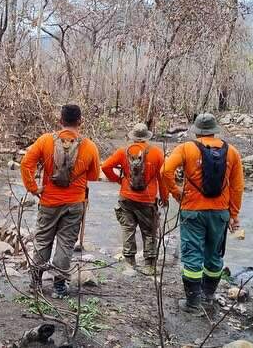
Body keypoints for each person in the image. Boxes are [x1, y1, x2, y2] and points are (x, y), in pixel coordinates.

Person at [161, 113, 244, 314]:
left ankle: (192, 303)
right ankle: (208, 297)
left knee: (192, 255)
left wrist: (176, 192)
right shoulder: (232, 152)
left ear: (196, 131)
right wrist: (234, 214)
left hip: (193, 211)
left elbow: (165, 171)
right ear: (215, 130)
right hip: (220, 212)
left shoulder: (186, 148)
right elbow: (238, 187)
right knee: (214, 254)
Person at [20, 104, 101, 298]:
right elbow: (94, 175)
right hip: (75, 204)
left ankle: (36, 283)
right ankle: (59, 287)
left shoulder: (45, 141)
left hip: (48, 201)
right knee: (65, 244)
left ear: (60, 121)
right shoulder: (89, 146)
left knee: (42, 241)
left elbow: (26, 164)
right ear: (80, 121)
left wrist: (33, 188)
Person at [102, 123, 168, 275]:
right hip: (148, 199)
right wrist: (164, 198)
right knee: (149, 231)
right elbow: (162, 178)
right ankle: (149, 265)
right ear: (146, 137)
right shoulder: (157, 153)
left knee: (128, 229)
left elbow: (105, 166)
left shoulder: (123, 151)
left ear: (132, 136)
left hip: (126, 197)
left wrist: (118, 180)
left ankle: (129, 263)